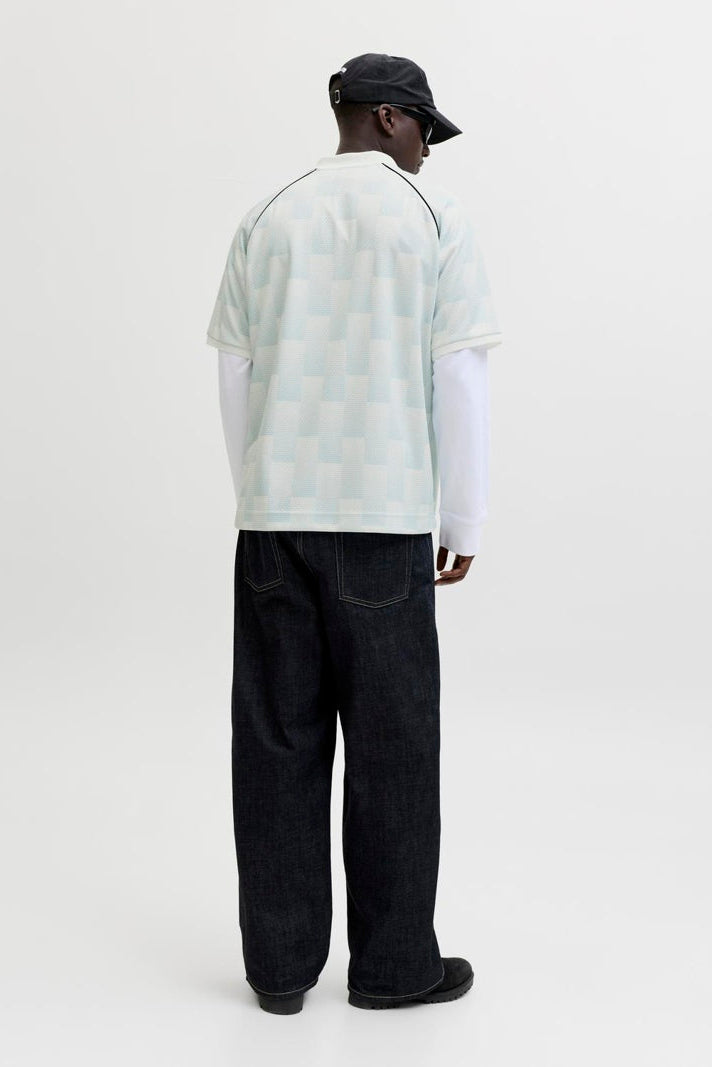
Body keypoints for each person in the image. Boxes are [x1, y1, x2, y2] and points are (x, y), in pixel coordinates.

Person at [205, 52, 503, 1015]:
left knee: (276, 742)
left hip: (273, 523)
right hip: (382, 520)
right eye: (424, 129)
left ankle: (280, 971)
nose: (428, 150)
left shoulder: (266, 215)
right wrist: (463, 515)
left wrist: (259, 490)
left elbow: (235, 373)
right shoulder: (434, 219)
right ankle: (393, 967)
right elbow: (459, 375)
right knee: (394, 749)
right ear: (385, 117)